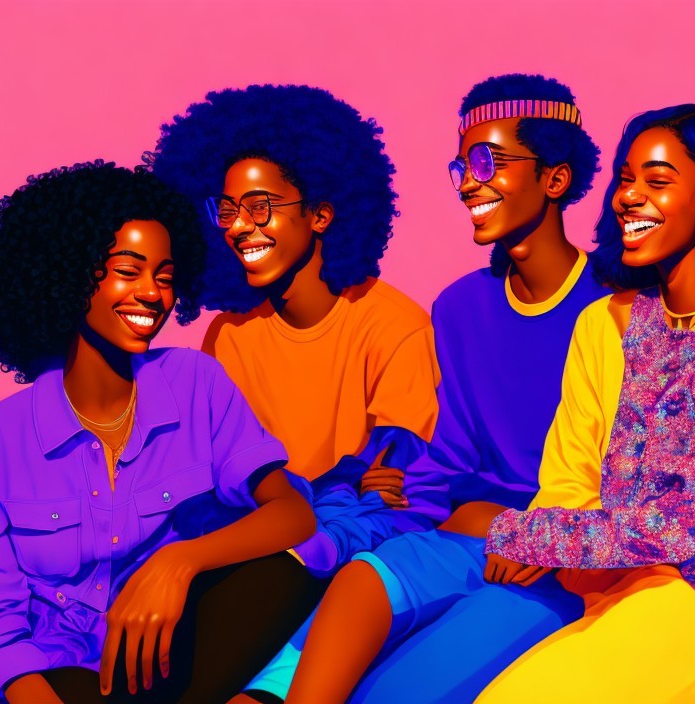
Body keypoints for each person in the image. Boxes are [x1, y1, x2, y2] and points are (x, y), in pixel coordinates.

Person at [246, 73, 609, 704]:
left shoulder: (618, 308)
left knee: (396, 687)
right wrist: (396, 487)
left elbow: (632, 479)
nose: (470, 181)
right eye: (461, 164)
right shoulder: (460, 307)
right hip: (464, 537)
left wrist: (547, 533)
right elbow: (452, 461)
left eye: (488, 161)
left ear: (554, 179)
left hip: (562, 565)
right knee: (357, 584)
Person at [475, 104, 695, 702]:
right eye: (626, 178)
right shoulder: (606, 322)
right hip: (605, 586)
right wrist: (557, 545)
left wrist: (526, 535)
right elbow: (568, 475)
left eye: (657, 182)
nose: (628, 197)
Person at [0, 163, 315, 704]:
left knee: (288, 573)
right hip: (61, 675)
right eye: (128, 271)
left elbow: (293, 512)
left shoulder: (194, 381)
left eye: (163, 276)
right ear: (68, 273)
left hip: (174, 659)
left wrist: (177, 562)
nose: (153, 295)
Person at [147, 85, 441, 584]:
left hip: (346, 548)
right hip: (253, 537)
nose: (239, 226)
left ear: (321, 214)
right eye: (227, 209)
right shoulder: (229, 335)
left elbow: (387, 486)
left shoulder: (397, 326)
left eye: (260, 206)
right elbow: (221, 474)